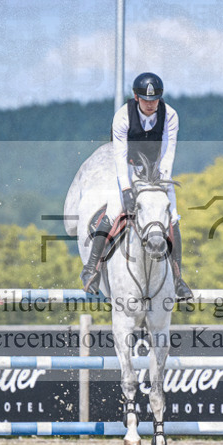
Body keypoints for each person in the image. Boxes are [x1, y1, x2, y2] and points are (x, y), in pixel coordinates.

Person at [80, 72, 193, 300]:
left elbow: (168, 153)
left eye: (155, 99)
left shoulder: (170, 115)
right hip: (128, 168)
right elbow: (119, 156)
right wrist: (126, 190)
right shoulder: (122, 116)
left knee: (172, 216)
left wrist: (161, 184)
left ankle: (178, 280)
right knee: (114, 210)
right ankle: (91, 270)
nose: (151, 104)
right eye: (145, 99)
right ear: (136, 96)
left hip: (157, 170)